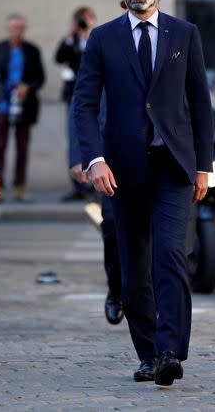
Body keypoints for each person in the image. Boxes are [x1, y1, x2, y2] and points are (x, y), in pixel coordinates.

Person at [72, 0, 213, 386]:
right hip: (122, 172)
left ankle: (171, 350)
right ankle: (149, 353)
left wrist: (203, 167)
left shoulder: (184, 35)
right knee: (134, 268)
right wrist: (93, 159)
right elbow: (84, 104)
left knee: (170, 255)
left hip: (173, 168)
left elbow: (201, 103)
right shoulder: (103, 38)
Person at [68, 93, 123, 325]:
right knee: (112, 224)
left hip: (156, 155)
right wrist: (80, 156)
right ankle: (117, 289)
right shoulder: (101, 54)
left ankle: (156, 298)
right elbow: (81, 104)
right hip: (109, 156)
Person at [0, 14, 45, 201]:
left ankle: (20, 187)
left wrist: (28, 87)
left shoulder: (32, 50)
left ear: (24, 29)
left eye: (20, 27)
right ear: (8, 28)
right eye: (13, 27)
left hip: (24, 105)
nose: (16, 31)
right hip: (2, 105)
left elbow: (40, 77)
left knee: (22, 147)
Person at [56, 6, 97, 202]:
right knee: (73, 139)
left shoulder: (97, 38)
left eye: (85, 20)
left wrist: (89, 33)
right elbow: (58, 58)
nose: (82, 23)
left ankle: (93, 183)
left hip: (95, 97)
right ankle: (77, 185)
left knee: (94, 136)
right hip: (73, 95)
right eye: (79, 20)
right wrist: (70, 36)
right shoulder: (71, 41)